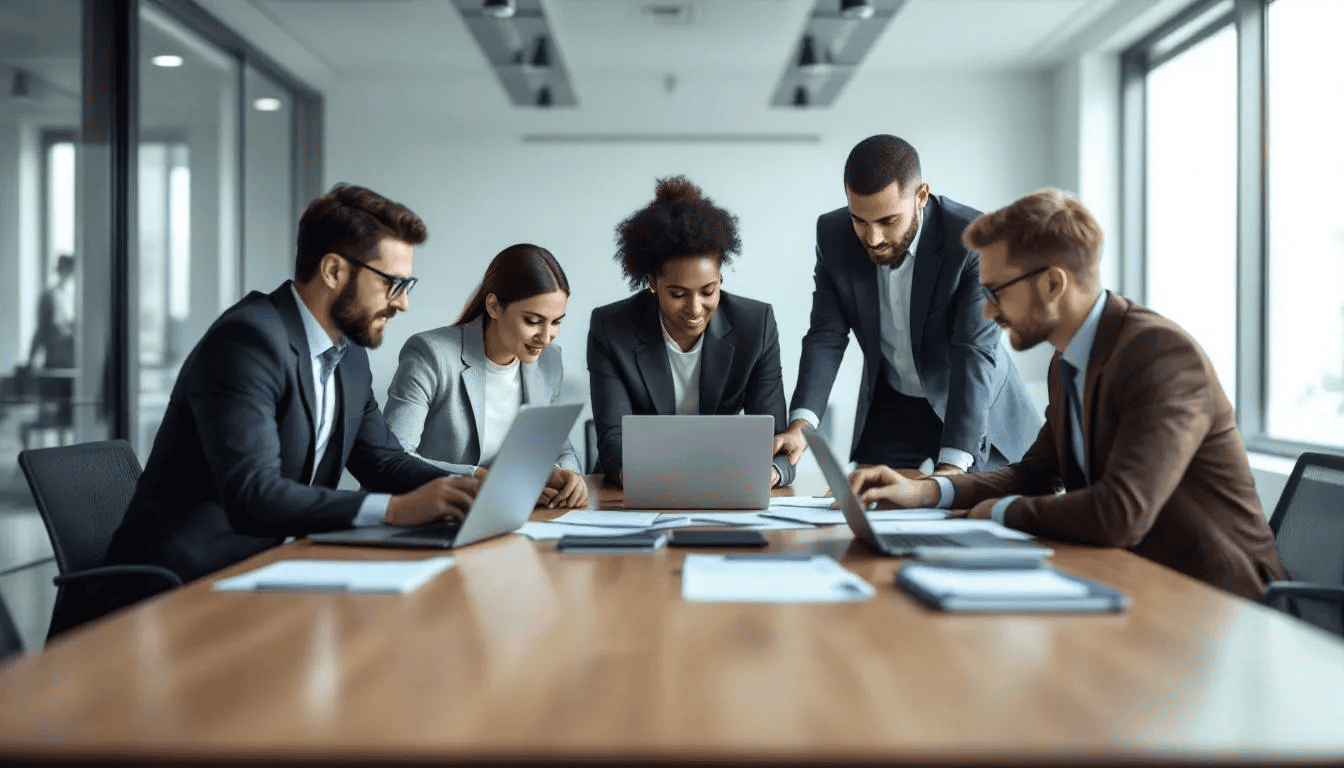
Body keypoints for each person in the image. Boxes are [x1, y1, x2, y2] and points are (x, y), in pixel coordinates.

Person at [67, 184, 480, 634]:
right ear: (334, 270)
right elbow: (253, 495)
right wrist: (396, 511)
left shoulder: (349, 355)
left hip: (271, 573)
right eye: (392, 284)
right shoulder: (247, 342)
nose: (402, 302)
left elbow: (381, 460)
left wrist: (476, 484)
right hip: (176, 598)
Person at [849, 188, 1285, 600]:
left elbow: (1121, 513)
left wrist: (998, 513)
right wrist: (928, 491)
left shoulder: (1162, 357)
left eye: (995, 291)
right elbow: (1034, 474)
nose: (986, 310)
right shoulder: (1068, 359)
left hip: (1221, 600)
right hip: (1134, 579)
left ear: (1053, 284)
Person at [775, 135, 1040, 475]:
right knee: (863, 506)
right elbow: (826, 335)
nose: (872, 239)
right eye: (860, 220)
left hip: (969, 404)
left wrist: (953, 469)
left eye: (887, 221)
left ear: (921, 197)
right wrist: (802, 425)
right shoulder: (833, 235)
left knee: (967, 513)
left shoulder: (973, 239)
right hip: (893, 404)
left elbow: (972, 352)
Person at [588, 175, 793, 488]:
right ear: (652, 283)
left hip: (726, 480)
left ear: (721, 278)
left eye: (708, 291)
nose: (696, 309)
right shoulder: (612, 328)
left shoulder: (756, 324)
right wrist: (642, 478)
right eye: (678, 294)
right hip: (639, 484)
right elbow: (614, 440)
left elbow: (778, 440)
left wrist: (772, 473)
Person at [384, 243, 587, 509]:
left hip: (506, 514)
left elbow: (559, 448)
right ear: (493, 306)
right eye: (533, 321)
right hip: (426, 511)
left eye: (556, 322)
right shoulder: (430, 354)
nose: (546, 337)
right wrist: (483, 479)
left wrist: (569, 474)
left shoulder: (548, 362)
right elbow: (394, 456)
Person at [29, 253, 76, 369]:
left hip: (70, 361)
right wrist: (30, 360)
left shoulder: (70, 296)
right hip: (56, 361)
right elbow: (42, 330)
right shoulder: (50, 296)